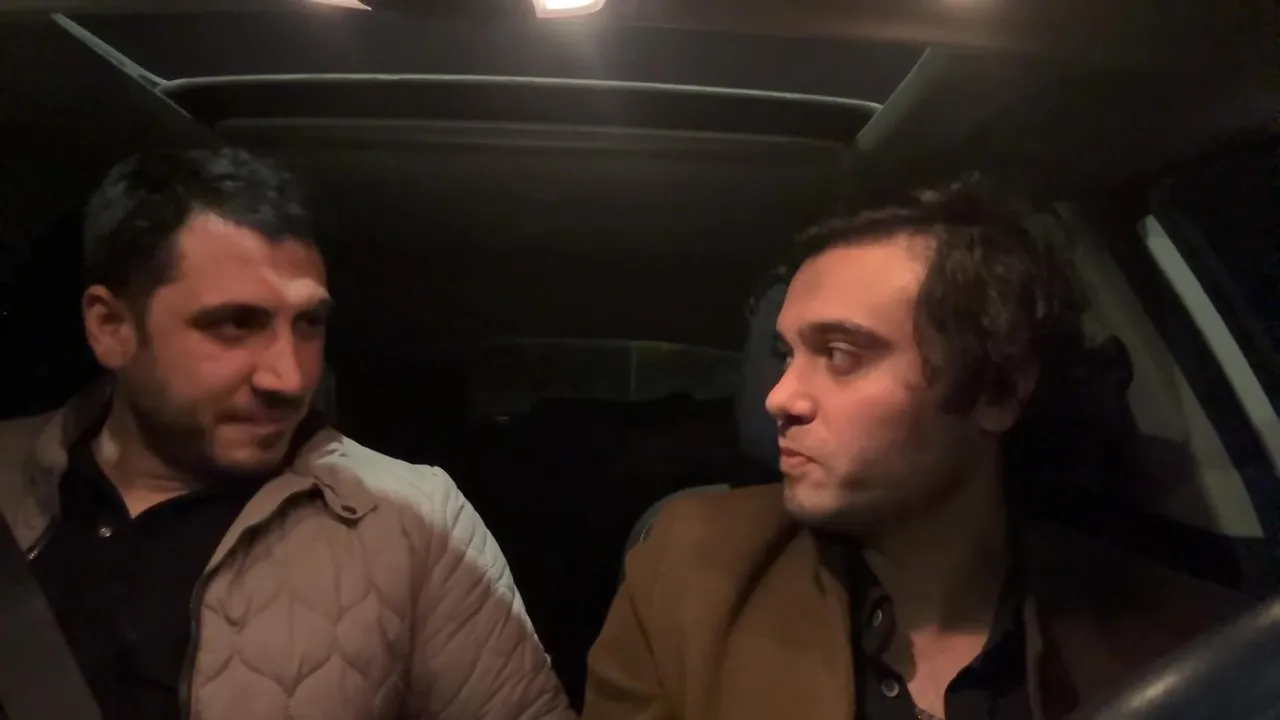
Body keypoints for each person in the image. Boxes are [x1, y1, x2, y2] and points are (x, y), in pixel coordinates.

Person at [581, 179, 1253, 720]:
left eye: (839, 354)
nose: (779, 397)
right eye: (786, 355)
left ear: (997, 391)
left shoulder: (1187, 645)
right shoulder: (688, 573)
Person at [0, 147, 573, 720]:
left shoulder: (414, 522)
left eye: (308, 324)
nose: (291, 378)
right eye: (235, 323)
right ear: (111, 328)